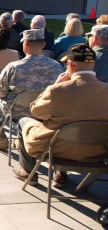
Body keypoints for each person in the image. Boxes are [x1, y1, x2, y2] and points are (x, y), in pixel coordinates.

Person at [13, 44, 108, 186]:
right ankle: (60, 174)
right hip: (95, 151)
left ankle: (27, 171)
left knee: (24, 121)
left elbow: (36, 111)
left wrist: (53, 86)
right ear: (92, 65)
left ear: (70, 65)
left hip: (55, 148)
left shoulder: (58, 90)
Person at [0, 29, 62, 150]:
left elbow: (0, 91)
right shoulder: (56, 66)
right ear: (43, 44)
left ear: (25, 45)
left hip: (16, 111)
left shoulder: (14, 67)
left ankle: (1, 138)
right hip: (43, 111)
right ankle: (20, 139)